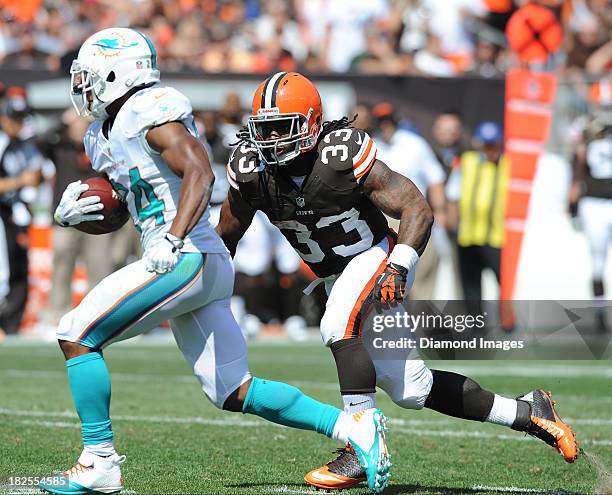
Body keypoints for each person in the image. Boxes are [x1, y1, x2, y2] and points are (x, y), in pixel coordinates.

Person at [37, 28, 390, 495]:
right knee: (232, 390)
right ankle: (354, 430)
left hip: (188, 255)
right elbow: (128, 205)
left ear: (115, 72)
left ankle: (99, 459)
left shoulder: (150, 110)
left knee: (76, 332)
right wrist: (80, 215)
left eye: (87, 75)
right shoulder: (101, 136)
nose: (81, 86)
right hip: (193, 257)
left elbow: (199, 170)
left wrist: (173, 237)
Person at [216, 71, 579, 491]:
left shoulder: (341, 156)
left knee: (336, 325)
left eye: (284, 128)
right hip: (338, 275)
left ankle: (360, 445)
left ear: (313, 124)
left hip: (376, 256)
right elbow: (227, 235)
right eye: (267, 130)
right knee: (412, 388)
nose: (273, 140)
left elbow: (416, 208)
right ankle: (529, 412)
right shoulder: (250, 172)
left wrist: (399, 264)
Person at [40, 109, 114, 325]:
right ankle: (56, 315)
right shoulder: (60, 148)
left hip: (97, 218)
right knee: (62, 266)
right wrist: (62, 120)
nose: (80, 128)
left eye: (84, 125)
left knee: (100, 267)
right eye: (77, 125)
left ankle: (100, 317)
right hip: (66, 218)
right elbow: (39, 140)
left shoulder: (99, 149)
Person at [372, 102, 447, 300]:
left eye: (388, 121)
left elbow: (435, 178)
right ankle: (392, 325)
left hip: (415, 215)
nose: (384, 126)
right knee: (386, 276)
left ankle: (421, 325)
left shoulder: (414, 144)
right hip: (383, 219)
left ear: (396, 121)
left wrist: (440, 213)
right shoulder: (372, 145)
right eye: (380, 122)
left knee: (423, 273)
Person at [446, 121, 507, 314]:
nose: (490, 150)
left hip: (497, 236)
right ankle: (475, 324)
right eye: (486, 145)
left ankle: (507, 320)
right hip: (468, 235)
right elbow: (453, 195)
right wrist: (452, 226)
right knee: (471, 287)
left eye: (493, 145)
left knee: (505, 283)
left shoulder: (508, 165)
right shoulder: (466, 162)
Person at [0, 90, 44, 335]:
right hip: (2, 212)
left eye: (21, 117)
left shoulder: (25, 146)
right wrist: (20, 181)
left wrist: (32, 180)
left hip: (17, 214)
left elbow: (38, 174)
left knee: (19, 269)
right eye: (14, 118)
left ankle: (12, 324)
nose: (19, 123)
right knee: (3, 271)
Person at [570, 97, 612, 332]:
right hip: (595, 203)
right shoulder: (587, 132)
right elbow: (578, 163)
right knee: (597, 262)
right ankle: (599, 313)